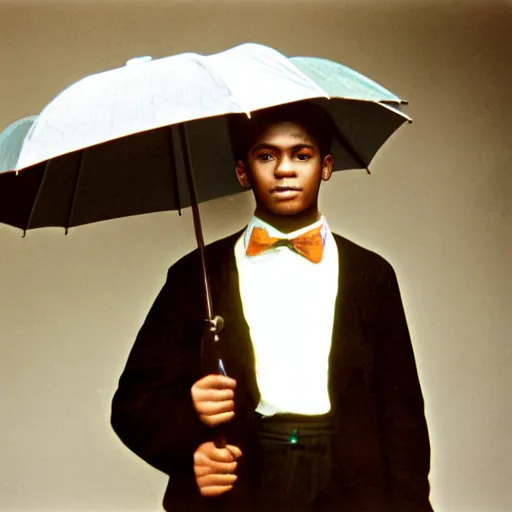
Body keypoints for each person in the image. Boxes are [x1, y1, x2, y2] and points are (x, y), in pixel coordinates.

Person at [111, 101, 434, 511]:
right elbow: (133, 403)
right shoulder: (197, 275)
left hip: (350, 487)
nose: (284, 170)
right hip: (241, 485)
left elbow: (402, 418)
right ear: (243, 171)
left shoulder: (373, 275)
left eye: (302, 155)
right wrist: (188, 422)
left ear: (327, 166)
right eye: (266, 156)